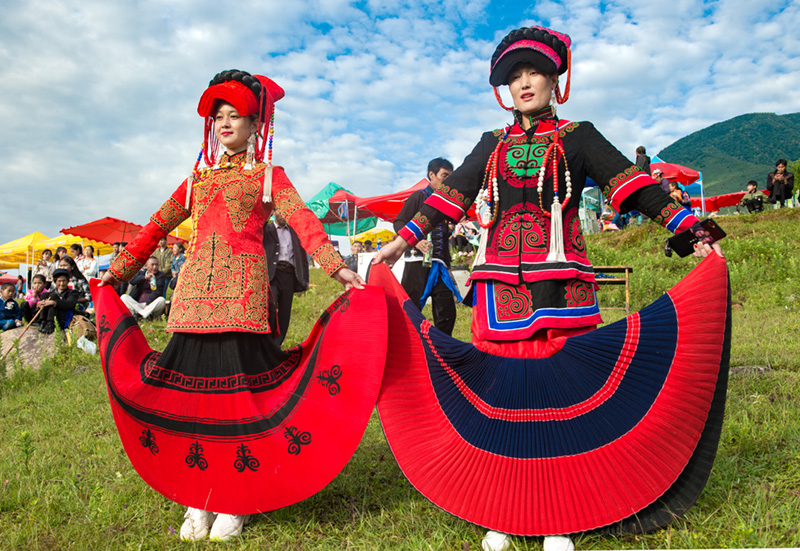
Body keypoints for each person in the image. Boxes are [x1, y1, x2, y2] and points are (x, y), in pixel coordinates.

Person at [373, 26, 726, 551]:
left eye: (533, 71)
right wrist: (400, 244)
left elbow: (631, 186)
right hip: (498, 288)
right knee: (505, 393)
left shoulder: (579, 136)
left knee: (563, 392)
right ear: (504, 90)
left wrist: (692, 231)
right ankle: (505, 506)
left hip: (561, 283)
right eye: (514, 77)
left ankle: (559, 509)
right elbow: (452, 194)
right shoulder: (491, 145)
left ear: (555, 79)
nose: (524, 83)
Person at [97, 69, 372, 543]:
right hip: (191, 301)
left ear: (255, 123)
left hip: (244, 297)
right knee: (190, 397)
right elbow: (154, 227)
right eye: (218, 116)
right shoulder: (196, 179)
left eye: (235, 115)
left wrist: (335, 266)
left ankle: (233, 498)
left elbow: (302, 218)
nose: (225, 123)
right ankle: (194, 493)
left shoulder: (267, 176)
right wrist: (118, 272)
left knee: (238, 402)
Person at [393, 157, 460, 335]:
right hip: (416, 262)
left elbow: (443, 239)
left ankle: (444, 348)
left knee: (446, 310)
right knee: (411, 308)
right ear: (432, 175)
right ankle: (411, 346)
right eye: (444, 176)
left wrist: (449, 265)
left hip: (439, 264)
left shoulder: (447, 203)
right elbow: (399, 223)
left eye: (449, 177)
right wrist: (415, 240)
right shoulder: (418, 197)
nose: (447, 181)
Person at [263, 212, 309, 345]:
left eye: (286, 212)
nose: (283, 215)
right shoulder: (266, 230)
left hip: (289, 275)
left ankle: (277, 345)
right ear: (274, 212)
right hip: (273, 275)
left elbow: (302, 256)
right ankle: (268, 343)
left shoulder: (295, 233)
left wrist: (305, 278)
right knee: (271, 309)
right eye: (280, 211)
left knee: (285, 312)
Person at [36, 269, 79, 334]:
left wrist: (55, 302)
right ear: (55, 282)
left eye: (64, 281)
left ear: (67, 281)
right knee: (44, 294)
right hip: (49, 315)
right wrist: (39, 305)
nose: (61, 284)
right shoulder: (50, 293)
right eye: (59, 281)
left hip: (63, 317)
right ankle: (43, 321)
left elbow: (69, 304)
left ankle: (51, 323)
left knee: (53, 296)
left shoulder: (72, 293)